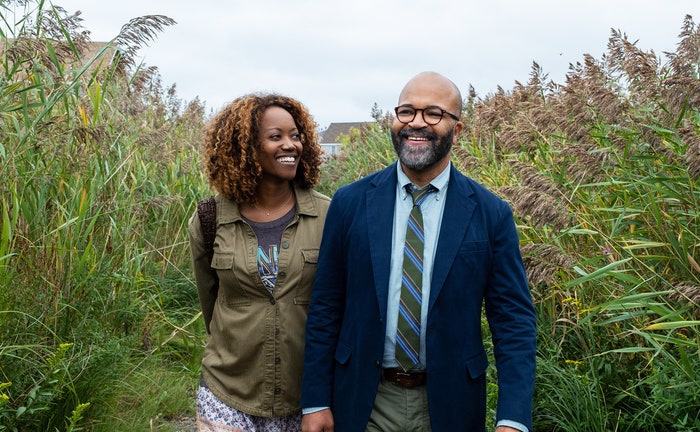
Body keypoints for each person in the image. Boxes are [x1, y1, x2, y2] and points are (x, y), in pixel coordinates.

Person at [300, 71, 536, 432]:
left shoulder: (490, 214)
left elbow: (513, 322)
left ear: (457, 129)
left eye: (434, 114)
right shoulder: (350, 202)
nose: (416, 123)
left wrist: (513, 419)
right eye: (407, 111)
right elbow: (326, 306)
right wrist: (315, 401)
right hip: (365, 398)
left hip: (449, 402)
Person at [188, 93, 330, 431]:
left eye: (296, 135)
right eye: (275, 136)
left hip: (304, 397)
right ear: (245, 147)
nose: (290, 145)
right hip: (228, 391)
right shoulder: (210, 218)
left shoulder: (330, 215)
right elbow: (211, 304)